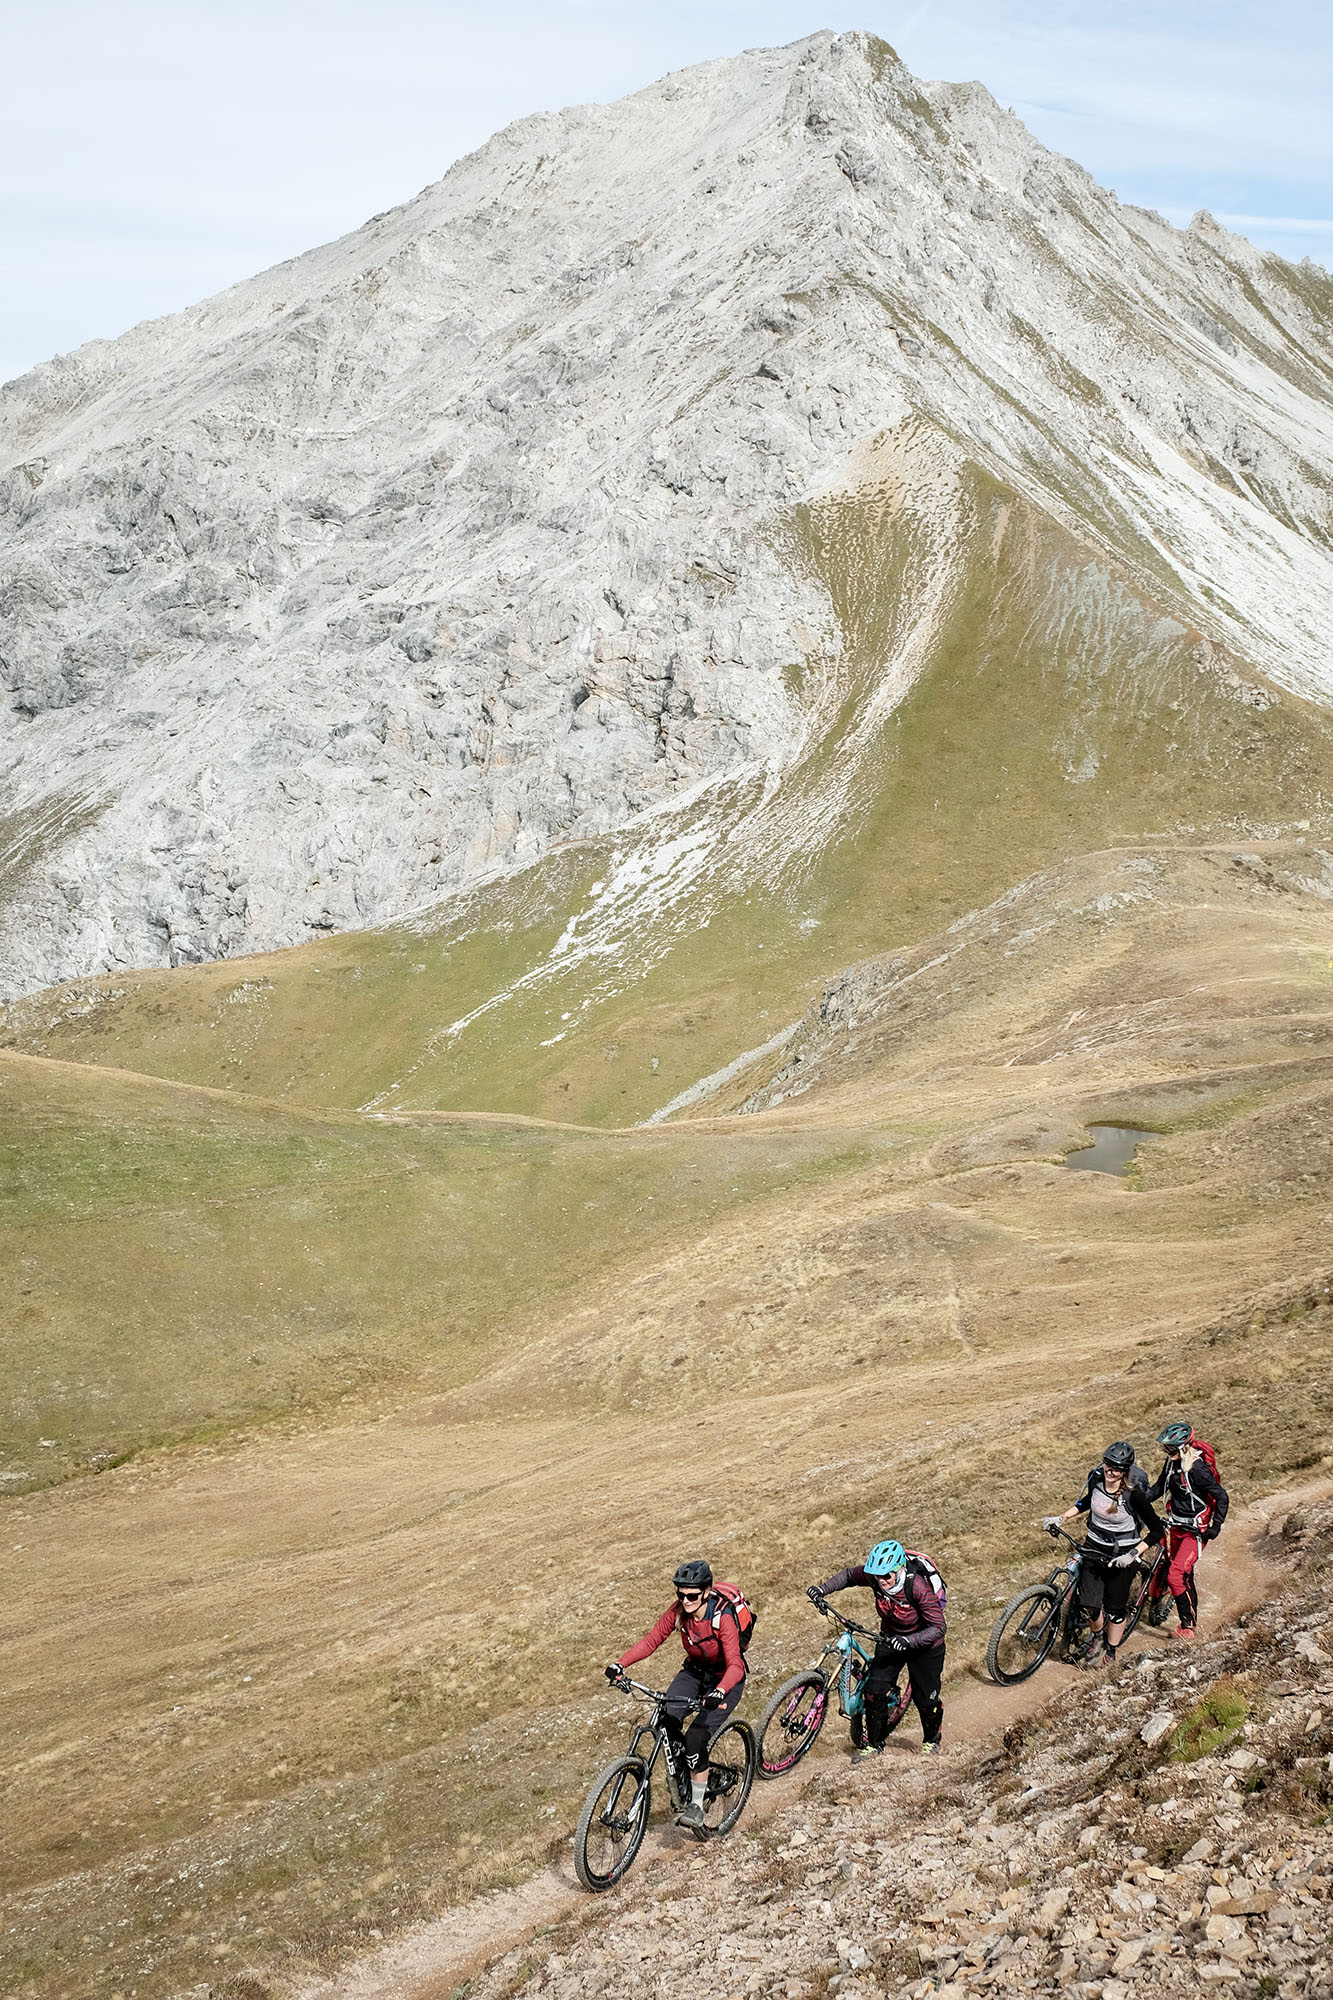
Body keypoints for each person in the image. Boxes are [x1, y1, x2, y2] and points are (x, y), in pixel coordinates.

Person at [606, 1559, 748, 1829]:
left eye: (692, 1595)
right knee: (667, 1717)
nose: (685, 1600)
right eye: (680, 1594)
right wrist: (620, 1664)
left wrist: (719, 1691)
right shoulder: (679, 1612)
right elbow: (651, 1641)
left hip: (725, 1680)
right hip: (694, 1672)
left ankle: (696, 1805)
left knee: (695, 1739)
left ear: (706, 1592)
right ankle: (687, 1773)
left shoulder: (722, 1617)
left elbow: (736, 1666)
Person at [808, 1538, 946, 1762]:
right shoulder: (875, 1577)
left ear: (898, 1569)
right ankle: (873, 1746)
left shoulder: (917, 1586)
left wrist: (909, 1641)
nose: (881, 1581)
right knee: (873, 1690)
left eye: (886, 1576)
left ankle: (932, 1741)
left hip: (925, 1646)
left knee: (926, 1699)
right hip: (891, 1638)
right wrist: (821, 1590)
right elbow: (849, 1576)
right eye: (877, 1576)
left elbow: (939, 1627)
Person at [1049, 1440, 1164, 1668]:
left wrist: (1132, 1554)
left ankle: (1110, 1651)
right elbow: (1085, 1503)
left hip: (1121, 1556)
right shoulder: (1097, 1480)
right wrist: (1061, 1517)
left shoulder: (1134, 1496)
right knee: (1089, 1604)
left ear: (1125, 1470)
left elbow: (1157, 1531)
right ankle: (1098, 1635)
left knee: (1115, 1610)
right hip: (1093, 1548)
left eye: (1117, 1468)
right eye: (1108, 1466)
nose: (1111, 1472)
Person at [1145, 1420, 1229, 1641]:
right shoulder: (1171, 1464)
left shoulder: (1197, 1469)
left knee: (1176, 1574)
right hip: (1177, 1526)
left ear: (1183, 1446)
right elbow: (1158, 1488)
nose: (1166, 1451)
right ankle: (1186, 1617)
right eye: (1165, 1447)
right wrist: (1135, 1499)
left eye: (1170, 1448)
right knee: (1183, 1574)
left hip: (1195, 1531)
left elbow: (1221, 1496)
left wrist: (1215, 1526)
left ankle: (1188, 1628)